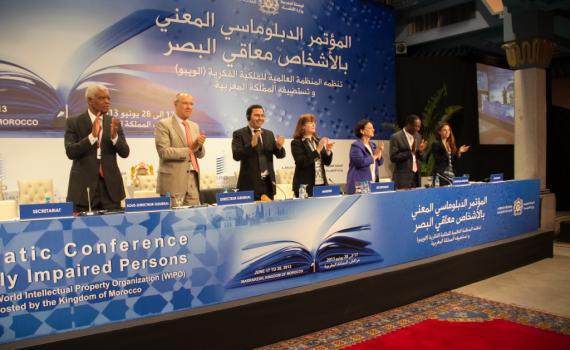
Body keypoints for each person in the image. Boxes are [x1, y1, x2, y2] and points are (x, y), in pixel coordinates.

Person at [64, 84, 130, 212]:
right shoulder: (73, 122)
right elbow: (70, 152)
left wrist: (115, 137)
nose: (107, 102)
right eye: (102, 98)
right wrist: (92, 137)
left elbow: (125, 152)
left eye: (108, 98)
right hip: (84, 190)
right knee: (84, 230)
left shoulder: (113, 122)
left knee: (114, 229)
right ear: (90, 100)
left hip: (110, 190)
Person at [155, 92, 206, 205]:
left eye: (191, 104)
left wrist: (200, 146)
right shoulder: (163, 124)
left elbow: (200, 155)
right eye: (185, 103)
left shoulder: (194, 126)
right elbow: (164, 152)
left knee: (194, 218)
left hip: (193, 179)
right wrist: (190, 149)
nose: (189, 107)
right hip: (173, 182)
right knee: (172, 220)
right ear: (175, 104)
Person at [232, 104, 286, 200]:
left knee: (270, 214)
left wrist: (279, 147)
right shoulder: (239, 134)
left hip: (268, 184)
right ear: (248, 117)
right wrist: (251, 145)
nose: (260, 118)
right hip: (249, 185)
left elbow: (280, 155)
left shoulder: (269, 134)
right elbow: (236, 156)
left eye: (262, 115)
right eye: (257, 115)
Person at [291, 114, 334, 197]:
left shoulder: (318, 141)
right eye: (310, 122)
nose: (314, 124)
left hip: (321, 184)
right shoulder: (296, 143)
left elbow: (327, 162)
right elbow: (301, 162)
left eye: (314, 122)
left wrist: (328, 150)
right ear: (302, 126)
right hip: (305, 187)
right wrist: (317, 150)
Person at [346, 119, 384, 194]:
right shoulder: (356, 146)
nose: (373, 129)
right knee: (364, 204)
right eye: (370, 128)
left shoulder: (373, 145)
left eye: (373, 127)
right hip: (361, 183)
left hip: (373, 181)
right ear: (362, 131)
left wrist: (379, 151)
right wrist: (375, 156)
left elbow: (380, 162)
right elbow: (361, 162)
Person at [389, 114, 427, 189]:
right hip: (402, 178)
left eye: (419, 126)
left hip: (416, 176)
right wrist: (410, 153)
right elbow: (393, 157)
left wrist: (420, 151)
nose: (418, 129)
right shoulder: (396, 137)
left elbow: (421, 158)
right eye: (416, 126)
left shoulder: (418, 136)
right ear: (409, 125)